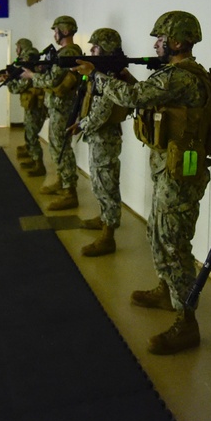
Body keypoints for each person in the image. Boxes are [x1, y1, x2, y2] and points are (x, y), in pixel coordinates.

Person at [75, 11, 210, 354]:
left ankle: (187, 321)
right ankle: (167, 291)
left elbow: (134, 97)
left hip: (179, 174)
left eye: (160, 39)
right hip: (170, 169)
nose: (155, 45)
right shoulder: (175, 75)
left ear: (176, 42)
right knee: (158, 233)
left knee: (173, 243)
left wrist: (98, 77)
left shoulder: (181, 77)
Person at [70, 28, 134, 257]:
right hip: (98, 138)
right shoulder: (102, 74)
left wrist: (81, 126)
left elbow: (101, 113)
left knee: (106, 185)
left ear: (106, 50)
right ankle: (104, 219)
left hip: (104, 138)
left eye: (95, 48)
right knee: (98, 183)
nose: (91, 51)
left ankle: (108, 236)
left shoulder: (110, 77)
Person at [20, 16, 82, 210]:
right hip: (57, 107)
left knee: (61, 148)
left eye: (55, 30)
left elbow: (53, 81)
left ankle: (69, 191)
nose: (54, 34)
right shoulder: (63, 53)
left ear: (63, 31)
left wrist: (32, 76)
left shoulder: (69, 52)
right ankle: (62, 182)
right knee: (56, 147)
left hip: (63, 108)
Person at [6, 38, 47, 176]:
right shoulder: (32, 60)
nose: (16, 50)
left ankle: (38, 164)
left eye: (17, 47)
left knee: (32, 134)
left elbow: (22, 85)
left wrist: (9, 83)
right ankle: (32, 158)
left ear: (22, 48)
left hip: (36, 104)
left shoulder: (29, 63)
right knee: (29, 131)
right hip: (32, 103)